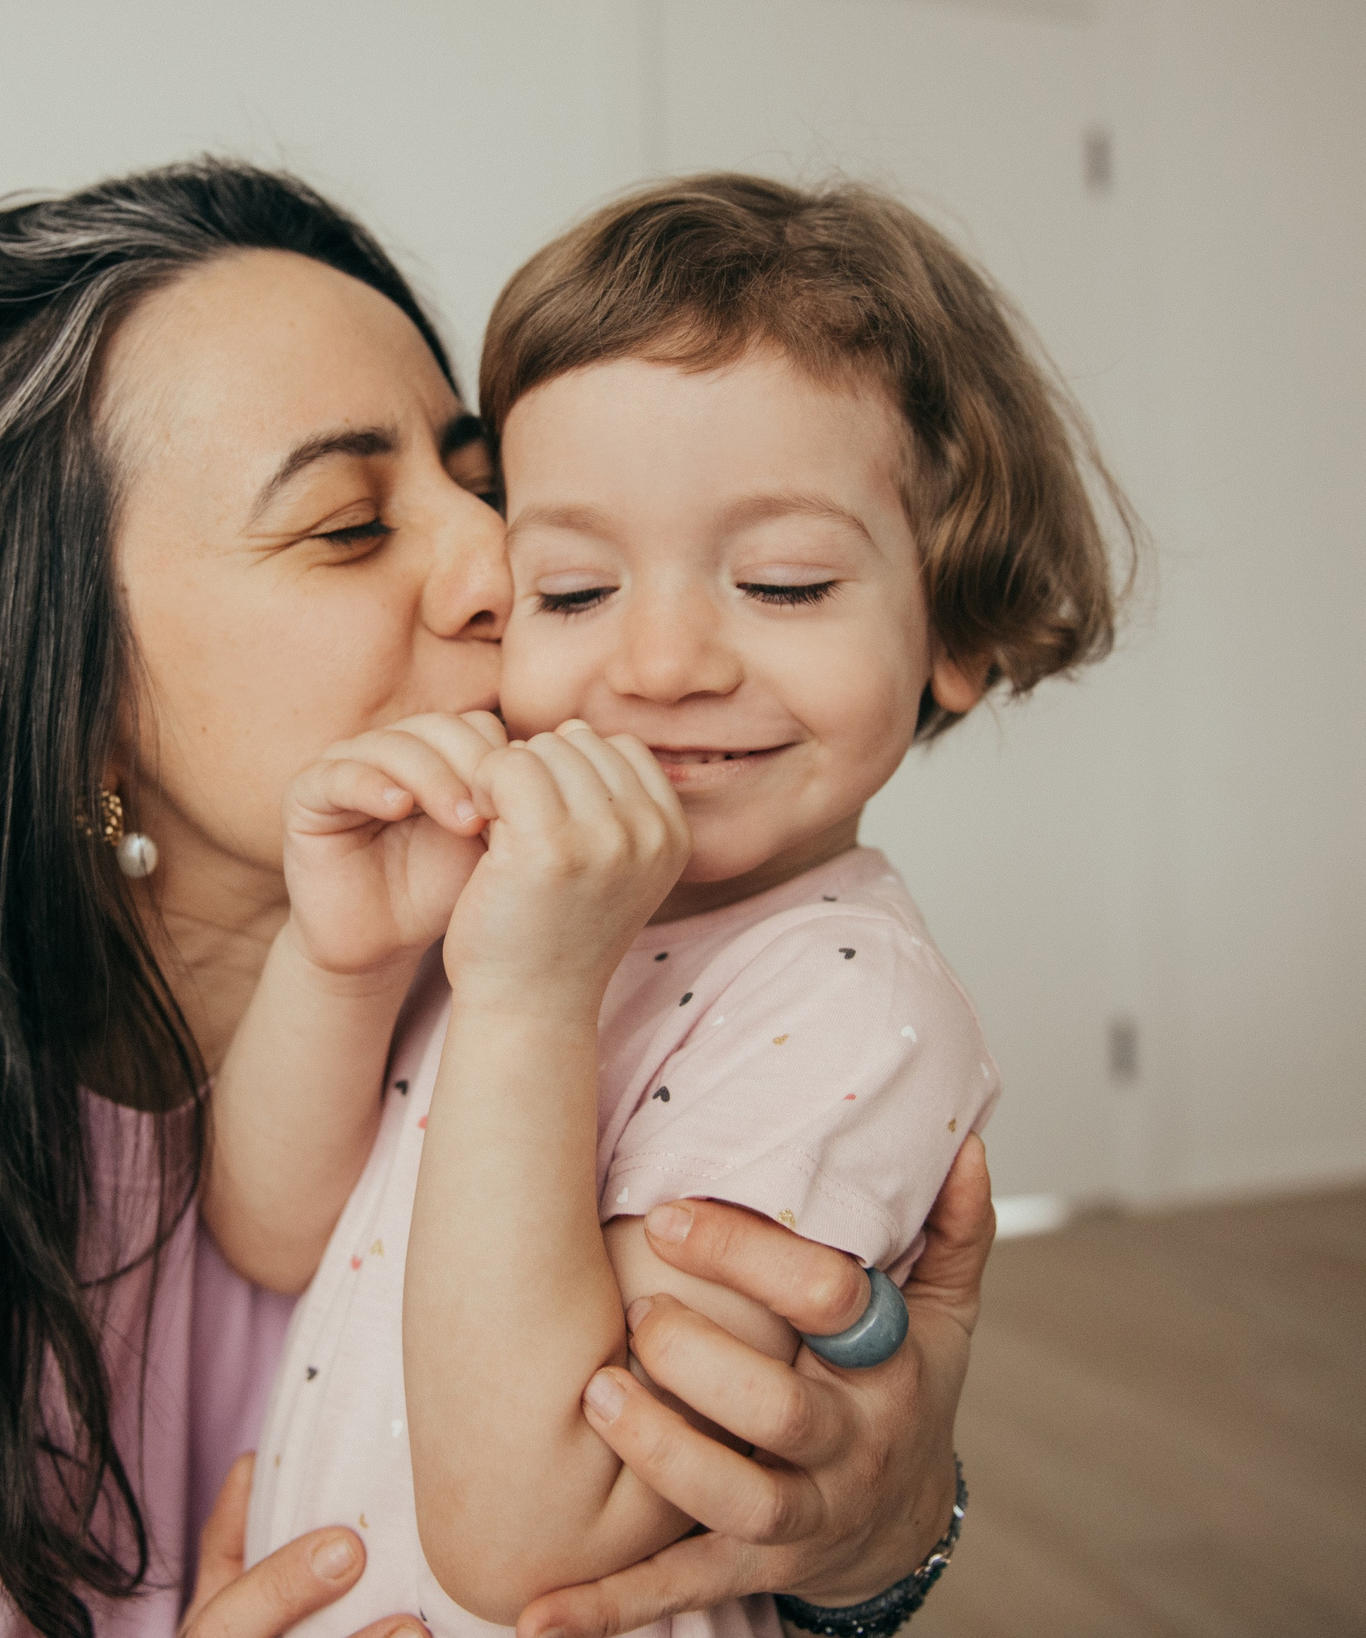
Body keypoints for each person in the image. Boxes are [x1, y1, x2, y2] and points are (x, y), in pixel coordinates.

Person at [0, 160, 997, 1638]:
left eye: (482, 483)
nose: (504, 574)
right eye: (352, 524)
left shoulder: (537, 956)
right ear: (61, 692)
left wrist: (873, 1546)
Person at [212, 173, 1129, 1638]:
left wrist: (525, 996)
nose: (660, 664)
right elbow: (270, 1230)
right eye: (570, 592)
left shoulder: (844, 998)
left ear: (953, 623)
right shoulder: (537, 886)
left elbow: (540, 1535)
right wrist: (349, 955)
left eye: (779, 580)